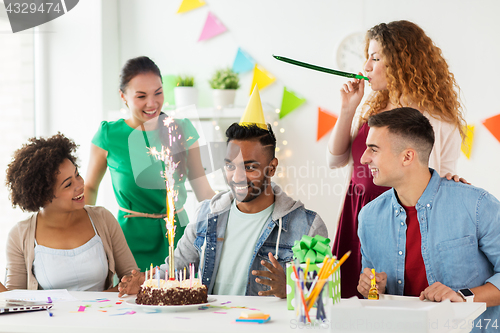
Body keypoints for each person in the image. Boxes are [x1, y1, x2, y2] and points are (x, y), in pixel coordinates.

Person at [327, 20, 467, 298]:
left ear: (402, 62)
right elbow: (336, 159)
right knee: (351, 304)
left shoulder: (439, 122)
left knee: (391, 299)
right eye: (367, 57)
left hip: (400, 223)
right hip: (357, 212)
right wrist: (348, 108)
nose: (366, 67)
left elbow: (443, 182)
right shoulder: (374, 112)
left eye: (375, 58)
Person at [118, 122, 328, 298]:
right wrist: (146, 281)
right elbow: (176, 269)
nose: (237, 177)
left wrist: (291, 288)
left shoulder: (308, 226)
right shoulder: (205, 215)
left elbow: (325, 294)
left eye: (250, 167)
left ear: (271, 168)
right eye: (230, 166)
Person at [357, 108, 500, 331]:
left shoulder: (477, 205)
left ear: (407, 156)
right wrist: (375, 289)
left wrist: (463, 296)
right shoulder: (368, 217)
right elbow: (373, 293)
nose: (364, 158)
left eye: (373, 149)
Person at [85, 56, 215, 271]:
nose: (152, 103)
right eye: (141, 96)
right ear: (123, 97)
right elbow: (89, 187)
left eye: (158, 93)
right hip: (127, 242)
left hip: (179, 239)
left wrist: (231, 221)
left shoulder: (182, 130)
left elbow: (203, 190)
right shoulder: (108, 135)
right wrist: (87, 235)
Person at [5, 133, 138, 291]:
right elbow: (14, 299)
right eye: (68, 185)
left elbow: (132, 279)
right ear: (43, 195)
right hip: (51, 317)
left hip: (102, 315)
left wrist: (95, 305)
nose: (80, 185)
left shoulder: (102, 218)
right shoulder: (20, 235)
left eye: (77, 175)